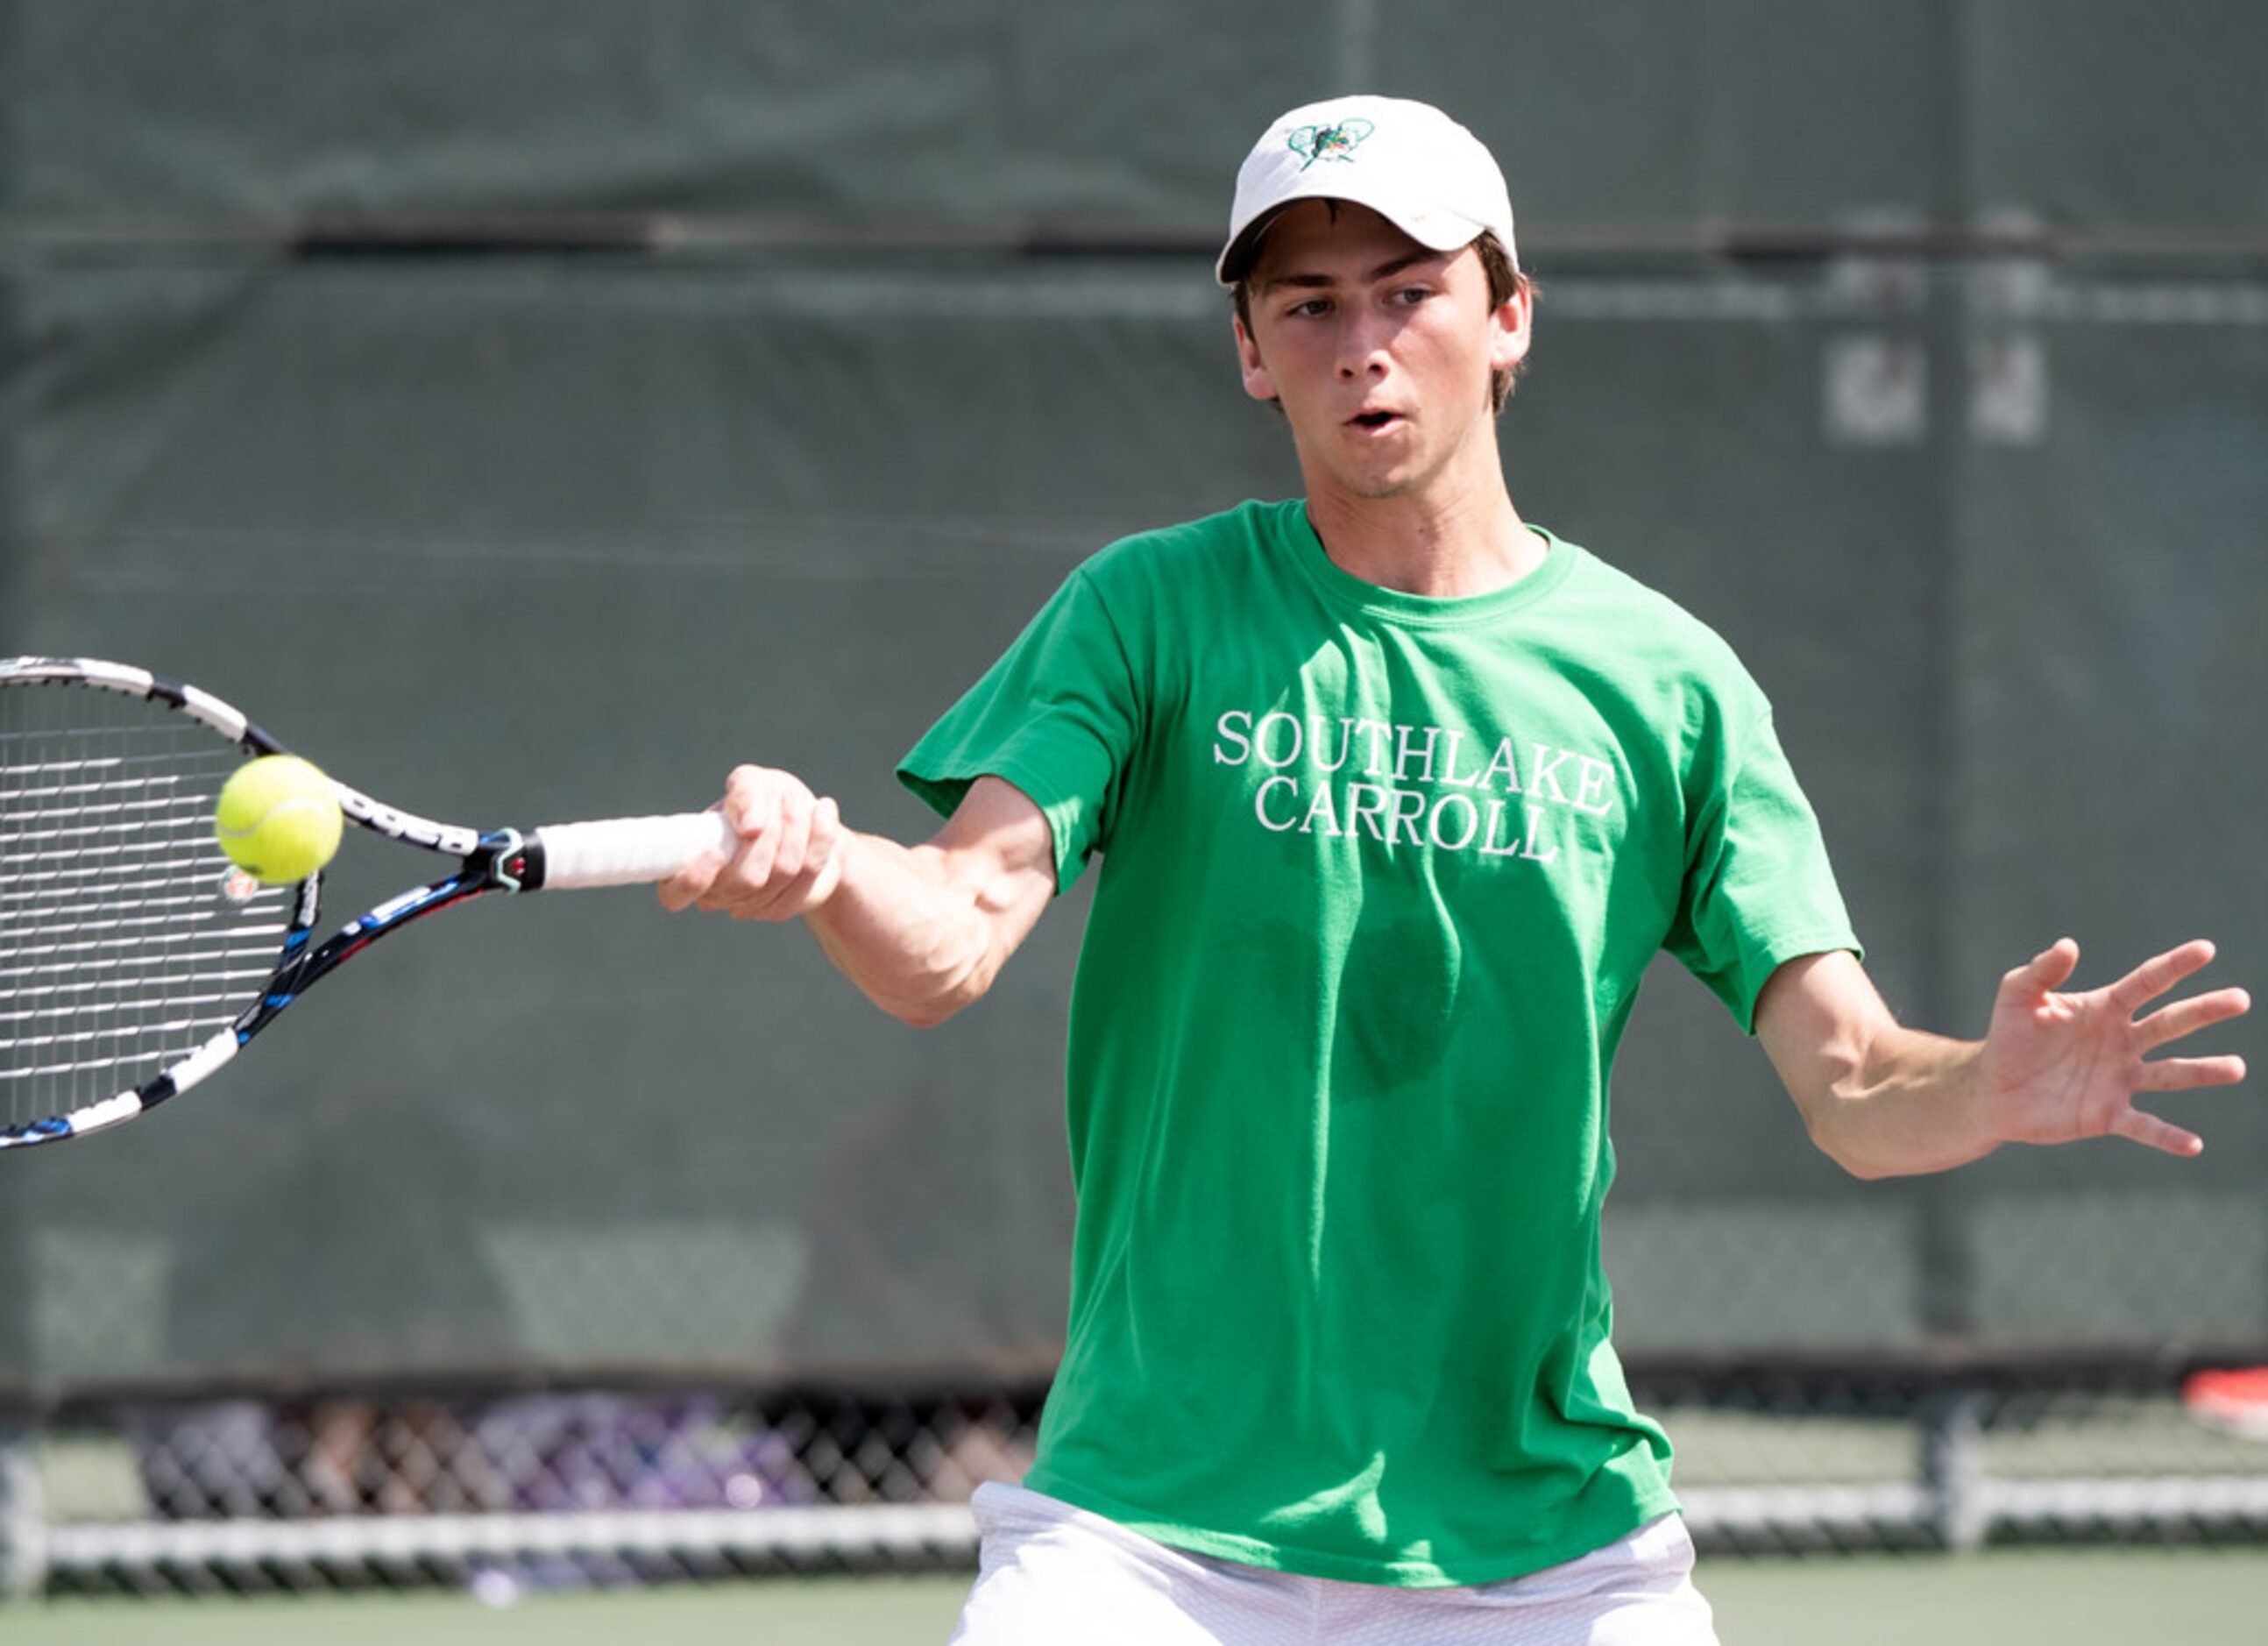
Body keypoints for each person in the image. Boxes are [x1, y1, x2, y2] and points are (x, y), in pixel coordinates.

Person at [661, 94, 2250, 1645]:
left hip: (1547, 1553)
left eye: (1412, 292)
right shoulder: (1147, 614)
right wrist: (831, 873)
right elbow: (950, 930)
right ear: (1250, 350)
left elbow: (1849, 1080)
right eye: (1309, 303)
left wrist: (1991, 1084)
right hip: (1149, 1538)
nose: (1362, 343)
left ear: (1510, 319)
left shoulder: (1668, 686)